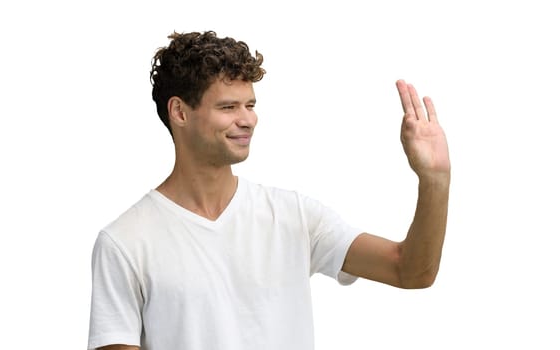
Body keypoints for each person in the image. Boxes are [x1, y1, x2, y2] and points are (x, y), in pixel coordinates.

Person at [88, 30, 450, 350]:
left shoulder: (294, 216)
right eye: (228, 107)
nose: (247, 119)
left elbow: (412, 271)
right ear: (179, 112)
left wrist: (434, 180)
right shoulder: (126, 242)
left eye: (250, 105)